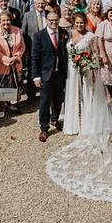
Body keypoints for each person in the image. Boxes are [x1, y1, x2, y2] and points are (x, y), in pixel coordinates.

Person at [33, 8, 69, 142]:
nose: (54, 22)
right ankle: (44, 127)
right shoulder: (39, 36)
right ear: (46, 21)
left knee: (58, 99)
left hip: (60, 73)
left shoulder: (64, 33)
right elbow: (35, 57)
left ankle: (55, 119)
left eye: (56, 20)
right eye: (51, 20)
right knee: (44, 102)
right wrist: (36, 76)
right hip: (45, 74)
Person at [0, 11, 25, 119]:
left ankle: (9, 103)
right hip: (1, 64)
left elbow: (22, 46)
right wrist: (6, 59)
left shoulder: (17, 31)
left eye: (8, 20)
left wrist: (16, 57)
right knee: (2, 86)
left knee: (12, 85)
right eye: (3, 20)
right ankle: (2, 108)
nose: (6, 22)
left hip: (15, 63)